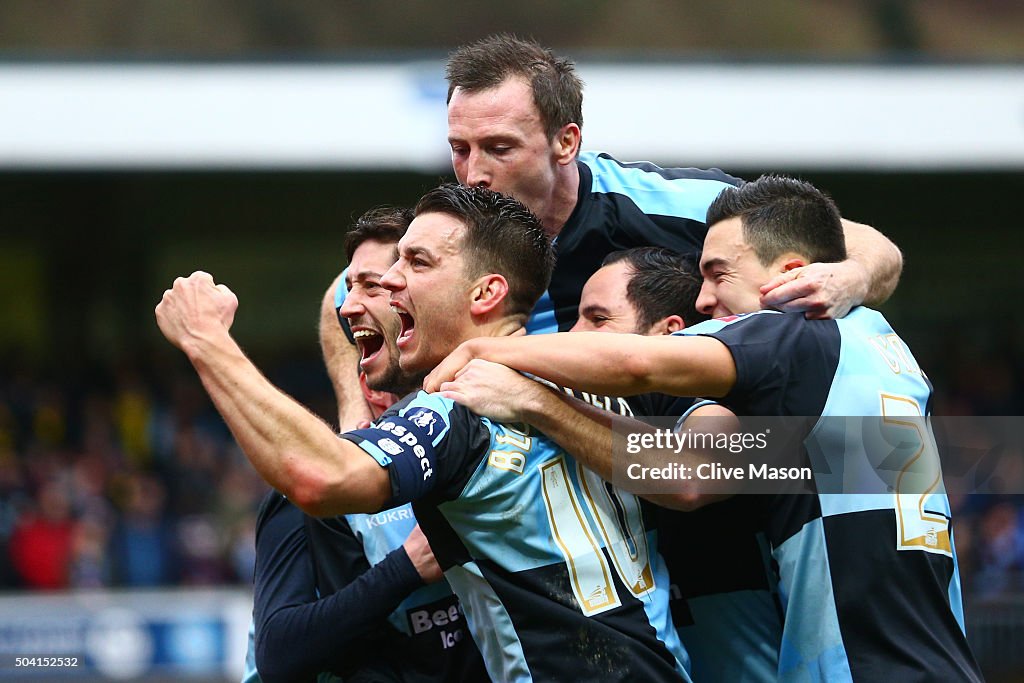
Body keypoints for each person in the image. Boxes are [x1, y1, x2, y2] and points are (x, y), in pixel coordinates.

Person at [424, 175, 984, 683]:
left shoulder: (793, 339)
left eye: (718, 274)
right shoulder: (872, 350)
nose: (703, 300)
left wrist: (492, 356)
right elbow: (757, 463)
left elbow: (641, 371)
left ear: (792, 275)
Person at [157, 184, 691, 683]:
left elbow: (320, 477)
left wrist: (208, 342)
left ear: (485, 293)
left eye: (417, 263)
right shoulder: (599, 379)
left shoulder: (455, 409)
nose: (393, 281)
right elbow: (759, 461)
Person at [439, 247, 782, 683]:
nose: (575, 335)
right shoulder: (586, 410)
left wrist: (534, 401)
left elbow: (693, 477)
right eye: (577, 319)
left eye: (598, 320)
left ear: (668, 334)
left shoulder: (708, 404)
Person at [445, 34, 904, 333]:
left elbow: (873, 249)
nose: (475, 174)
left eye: (500, 148)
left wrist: (849, 278)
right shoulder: (447, 243)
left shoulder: (667, 203)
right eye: (461, 149)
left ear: (565, 143)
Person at [242, 208, 487, 683]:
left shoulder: (484, 431)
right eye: (355, 289)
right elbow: (279, 654)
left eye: (374, 288)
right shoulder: (320, 489)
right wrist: (407, 567)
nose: (353, 305)